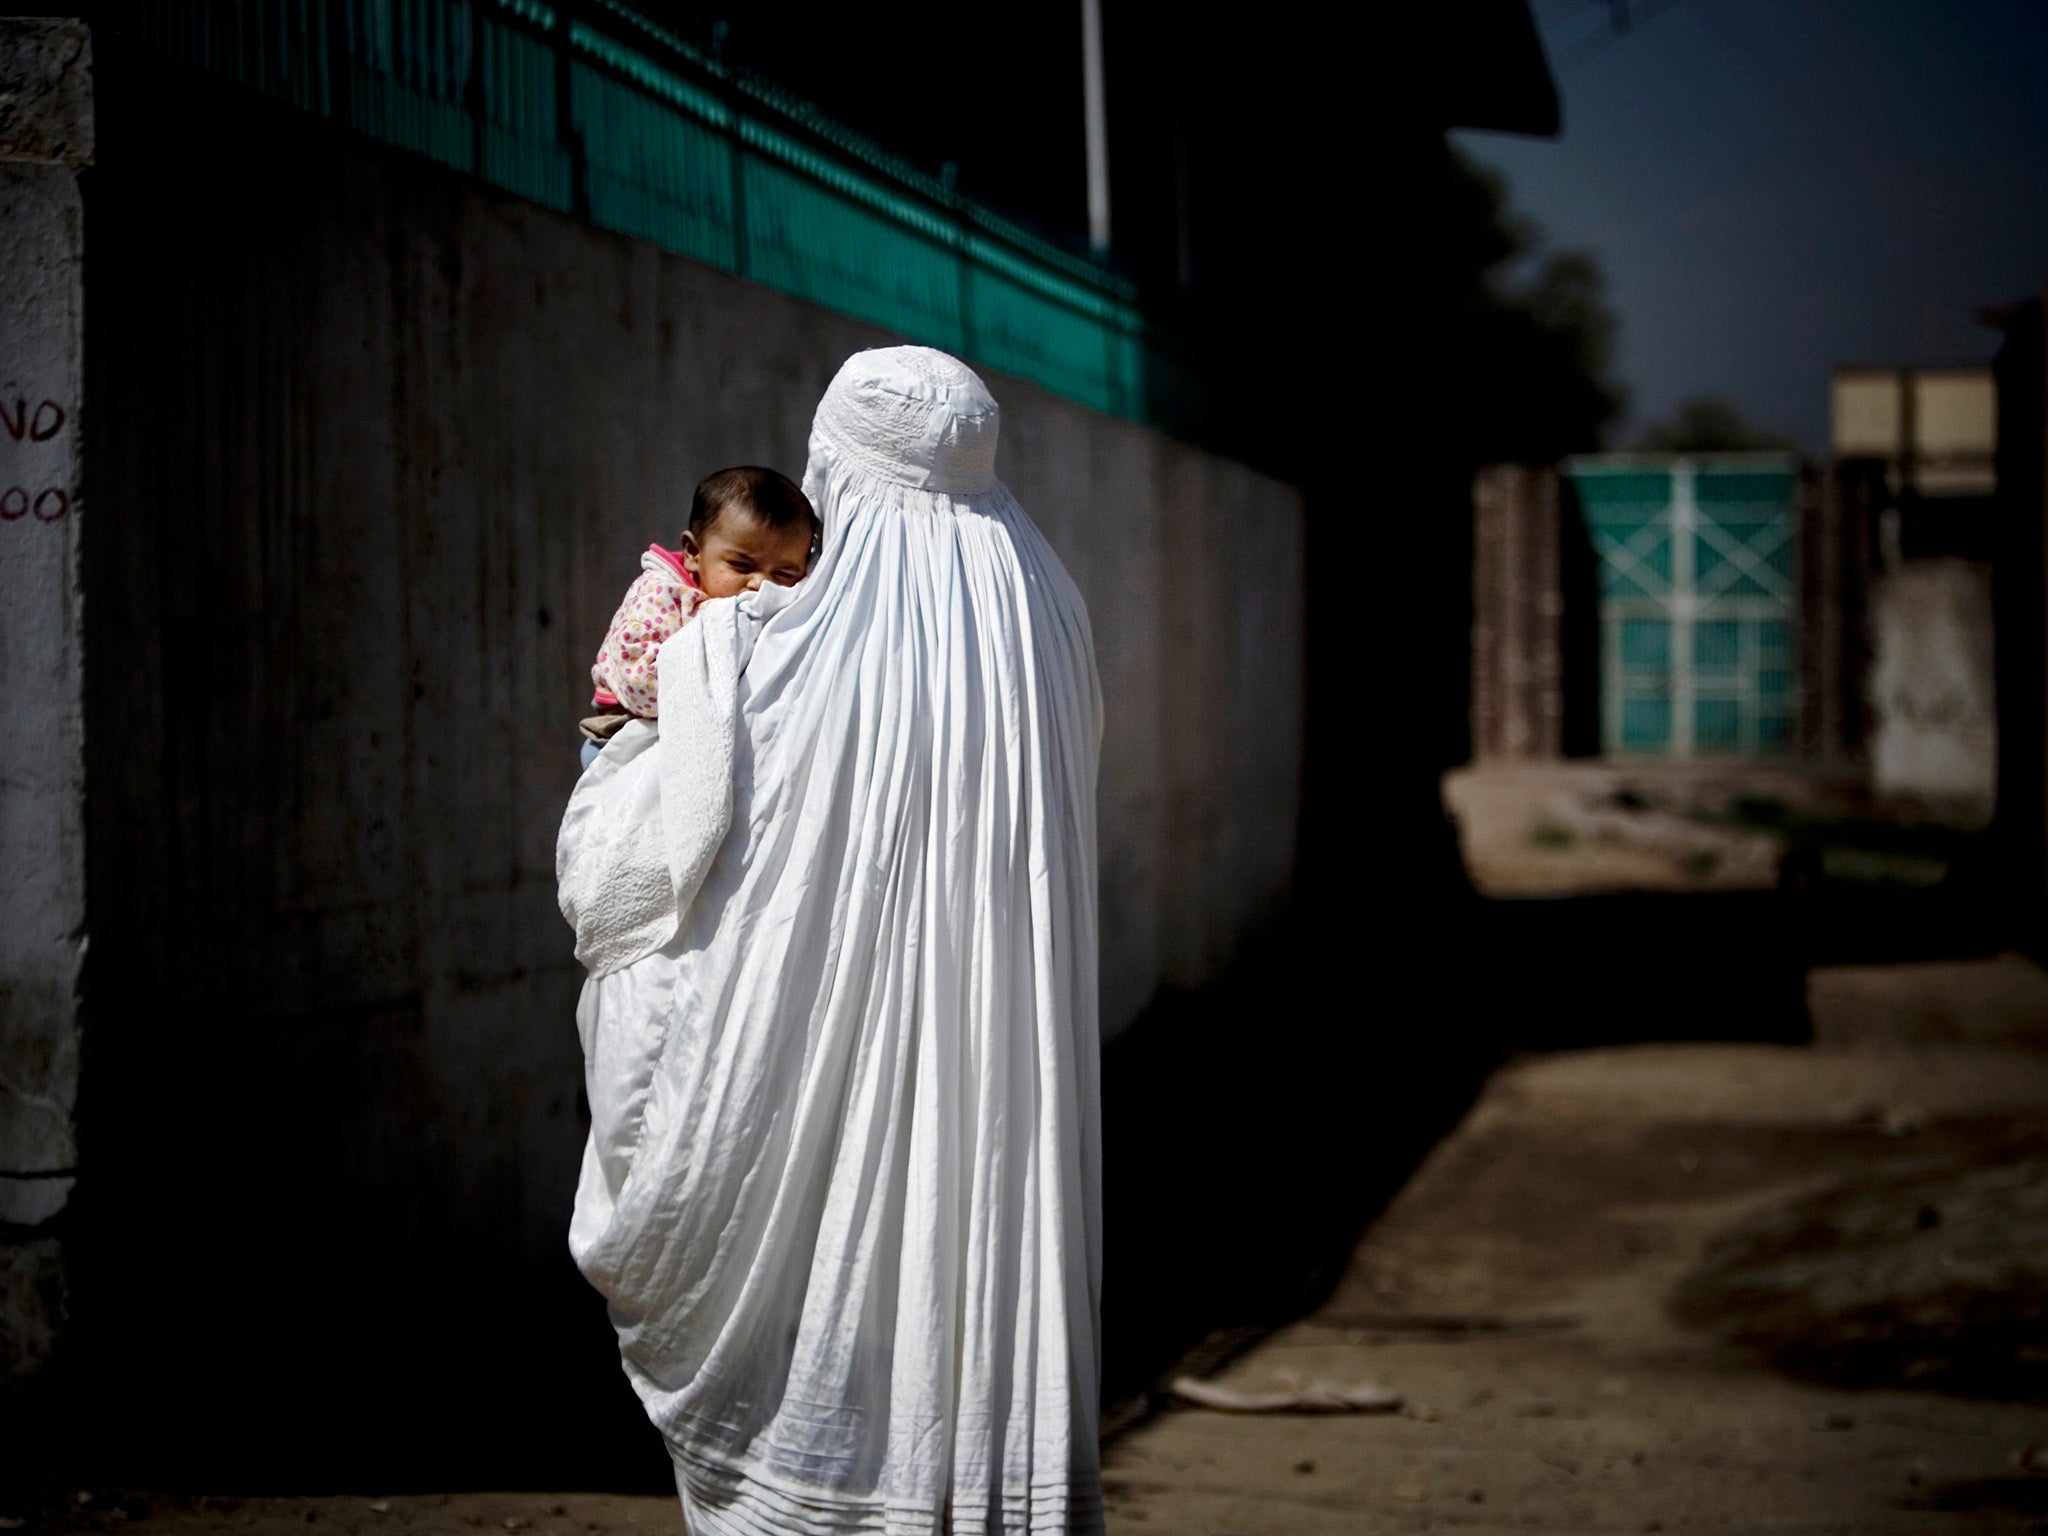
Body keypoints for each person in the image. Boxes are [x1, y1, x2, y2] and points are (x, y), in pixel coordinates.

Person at [556, 346, 1105, 1535]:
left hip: (792, 1086)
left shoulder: (751, 646)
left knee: (814, 1343)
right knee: (942, 1305)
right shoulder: (1049, 611)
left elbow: (631, 878)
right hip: (986, 1081)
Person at [579, 465, 815, 769]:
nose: (760, 585)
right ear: (693, 553)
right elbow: (640, 685)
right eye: (741, 566)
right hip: (620, 738)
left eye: (784, 574)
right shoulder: (659, 595)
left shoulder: (779, 608)